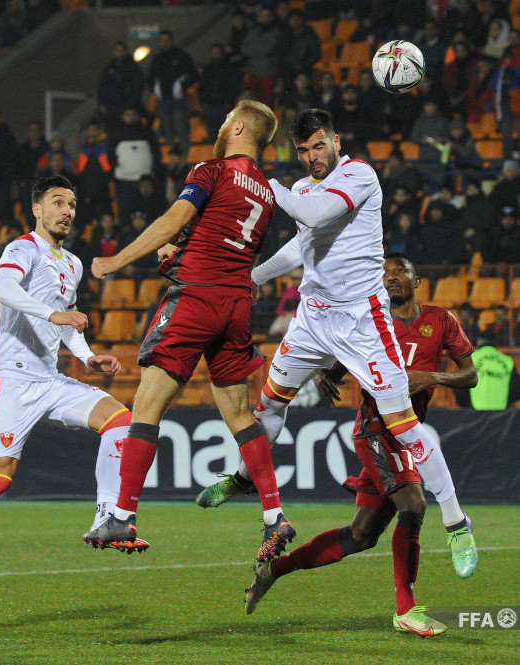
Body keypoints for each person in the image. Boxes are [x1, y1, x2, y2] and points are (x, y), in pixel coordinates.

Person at [196, 109, 478, 584]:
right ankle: (244, 477)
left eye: (319, 146)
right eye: (303, 150)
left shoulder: (359, 175)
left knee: (405, 426)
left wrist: (261, 178)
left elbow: (314, 213)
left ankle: (457, 522)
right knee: (269, 404)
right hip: (313, 318)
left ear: (336, 141)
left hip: (363, 322)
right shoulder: (302, 188)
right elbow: (300, 247)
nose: (312, 157)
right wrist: (252, 276)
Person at [0, 176, 145, 628]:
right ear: (37, 209)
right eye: (58, 202)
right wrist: (53, 312)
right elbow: (1, 289)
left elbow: (65, 325)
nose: (67, 211)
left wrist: (87, 355)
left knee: (121, 421)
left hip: (50, 378)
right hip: (11, 378)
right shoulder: (23, 247)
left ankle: (108, 516)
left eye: (72, 204)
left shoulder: (73, 264)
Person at [85, 100, 295, 563]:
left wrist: (116, 261)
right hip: (236, 304)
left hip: (197, 298)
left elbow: (174, 219)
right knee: (239, 415)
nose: (220, 123)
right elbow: (227, 243)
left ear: (237, 127)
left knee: (146, 405)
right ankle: (274, 515)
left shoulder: (211, 170)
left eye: (225, 118)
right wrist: (178, 252)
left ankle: (122, 515)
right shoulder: (266, 191)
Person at [241, 253, 478, 635]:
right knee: (414, 503)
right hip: (375, 428)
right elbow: (339, 359)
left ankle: (273, 570)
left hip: (407, 431)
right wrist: (328, 373)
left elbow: (470, 375)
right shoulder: (370, 322)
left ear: (417, 281)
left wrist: (431, 377)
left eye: (400, 271)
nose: (391, 277)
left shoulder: (441, 320)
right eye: (385, 273)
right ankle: (406, 609)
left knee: (360, 535)